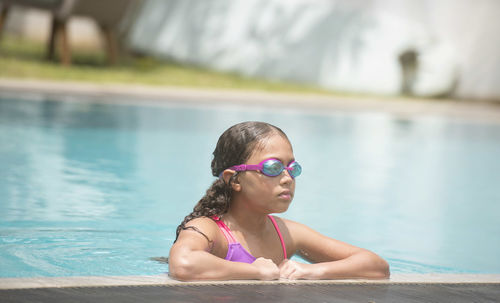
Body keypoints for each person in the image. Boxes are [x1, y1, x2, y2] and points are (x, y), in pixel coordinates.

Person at [169, 121, 390, 281]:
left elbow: (376, 266)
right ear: (233, 179)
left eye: (292, 168)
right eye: (273, 168)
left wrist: (310, 271)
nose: (287, 178)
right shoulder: (209, 229)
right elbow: (184, 263)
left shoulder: (286, 233)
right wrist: (257, 272)